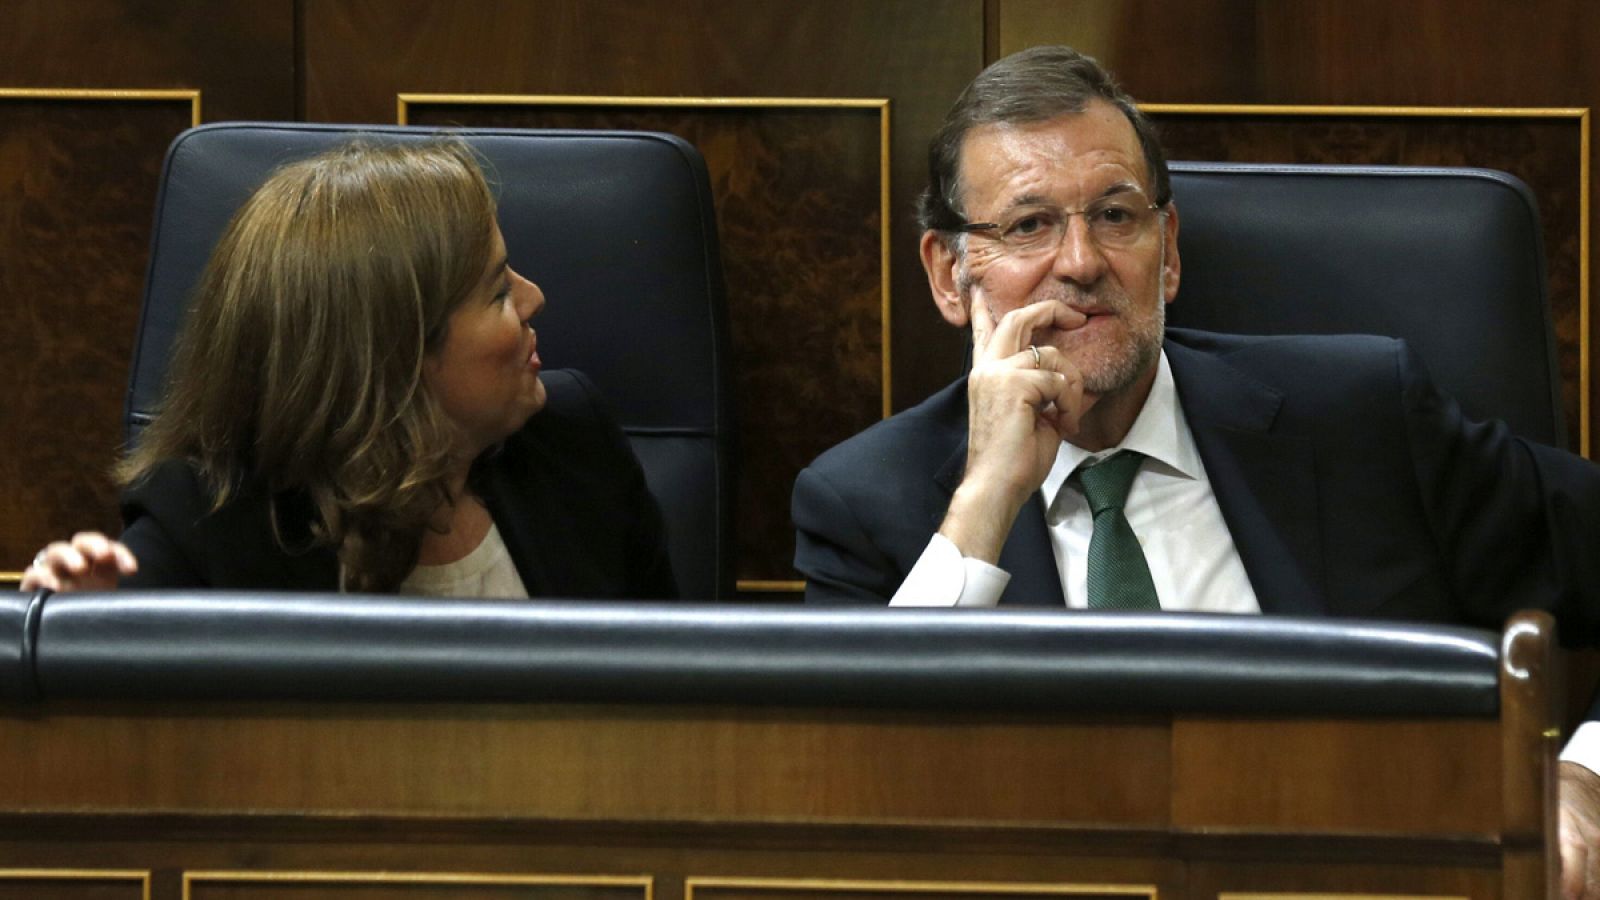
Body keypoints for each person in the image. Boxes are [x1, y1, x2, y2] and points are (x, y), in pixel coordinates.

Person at [790, 45, 1600, 895]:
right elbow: (846, 802)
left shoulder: (1364, 417)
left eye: (1114, 215)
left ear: (1167, 251)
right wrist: (985, 500)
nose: (1080, 261)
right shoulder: (862, 504)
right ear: (950, 277)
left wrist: (1582, 781)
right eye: (1028, 225)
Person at [22, 140, 675, 599]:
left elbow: (673, 708)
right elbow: (123, 717)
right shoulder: (209, 523)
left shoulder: (572, 447)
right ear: (394, 358)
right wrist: (74, 628)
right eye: (497, 292)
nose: (534, 299)